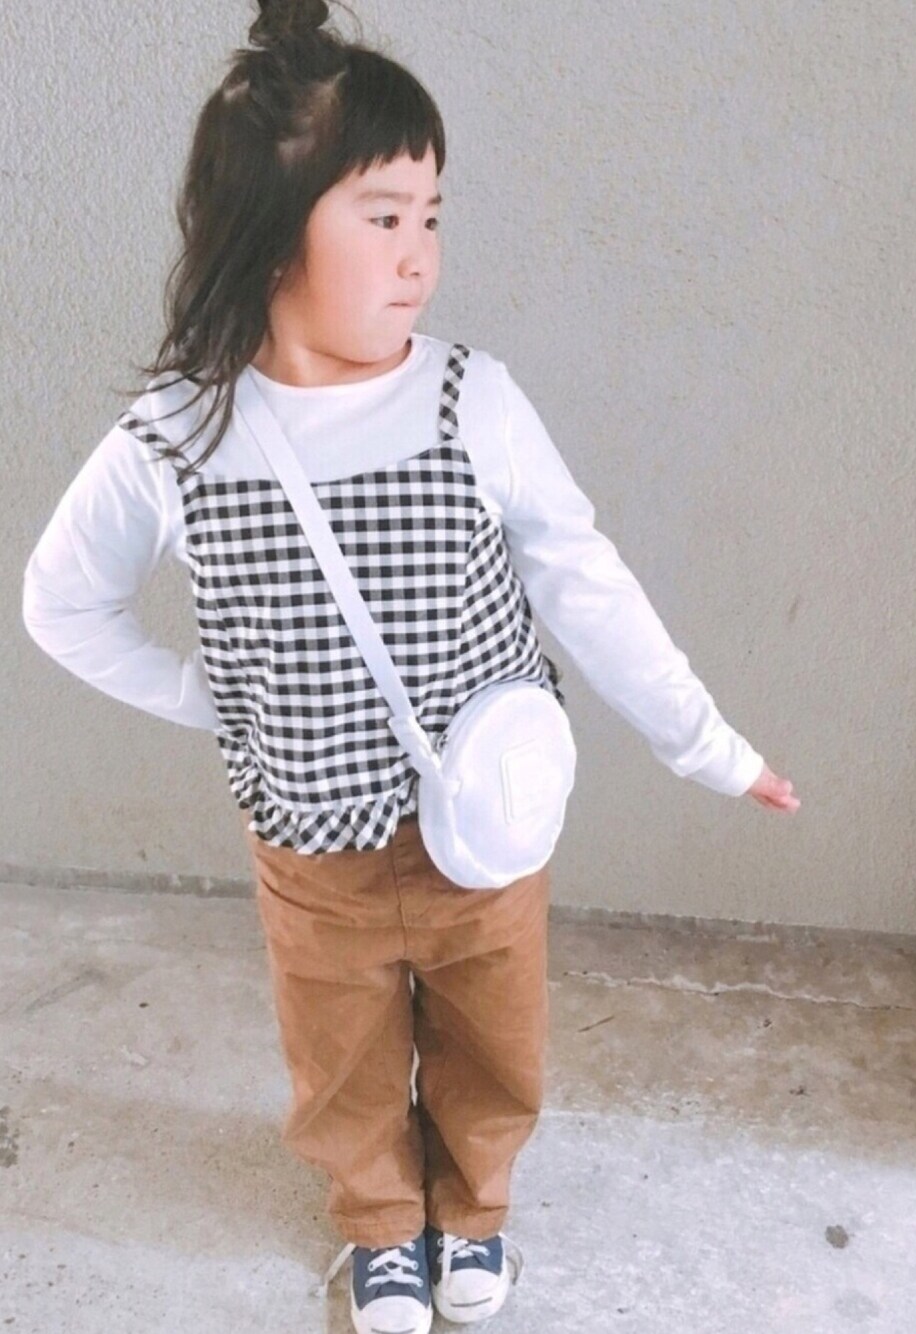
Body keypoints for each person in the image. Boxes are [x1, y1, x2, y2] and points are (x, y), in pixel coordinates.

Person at [21, 1, 800, 1330]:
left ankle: (474, 1206)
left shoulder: (467, 400)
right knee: (341, 1057)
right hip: (312, 848)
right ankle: (381, 1223)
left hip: (484, 826)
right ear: (271, 229)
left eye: (431, 215)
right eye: (382, 215)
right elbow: (62, 603)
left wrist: (707, 745)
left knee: (497, 1038)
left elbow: (584, 578)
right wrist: (221, 704)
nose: (419, 254)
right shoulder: (182, 435)